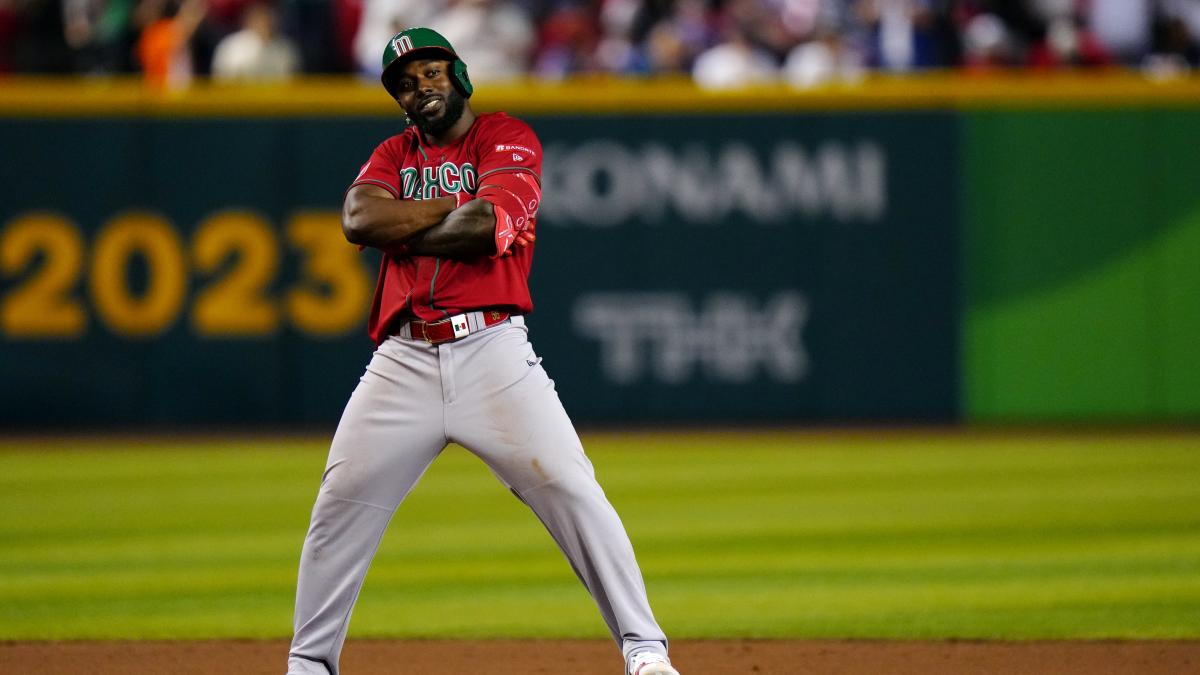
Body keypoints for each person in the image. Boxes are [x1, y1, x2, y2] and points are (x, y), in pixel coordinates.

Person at [285, 26, 680, 675]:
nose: (421, 88)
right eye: (406, 84)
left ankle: (645, 650)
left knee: (570, 488)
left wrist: (407, 222)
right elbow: (358, 220)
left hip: (491, 349)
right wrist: (449, 202)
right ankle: (308, 663)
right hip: (402, 360)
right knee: (340, 501)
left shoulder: (504, 136)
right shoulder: (391, 152)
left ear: (459, 73)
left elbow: (483, 227)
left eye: (431, 72)